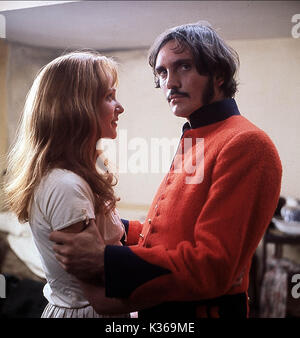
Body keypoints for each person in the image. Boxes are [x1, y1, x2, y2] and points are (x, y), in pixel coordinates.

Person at [49, 22, 282, 318]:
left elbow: (213, 266)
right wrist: (111, 226)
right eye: (162, 72)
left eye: (183, 67)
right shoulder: (196, 136)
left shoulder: (246, 142)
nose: (169, 83)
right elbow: (169, 236)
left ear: (219, 75)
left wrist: (106, 261)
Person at [4, 50, 129, 318]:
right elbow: (99, 289)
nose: (120, 107)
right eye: (109, 97)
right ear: (77, 107)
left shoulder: (74, 177)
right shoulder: (65, 186)